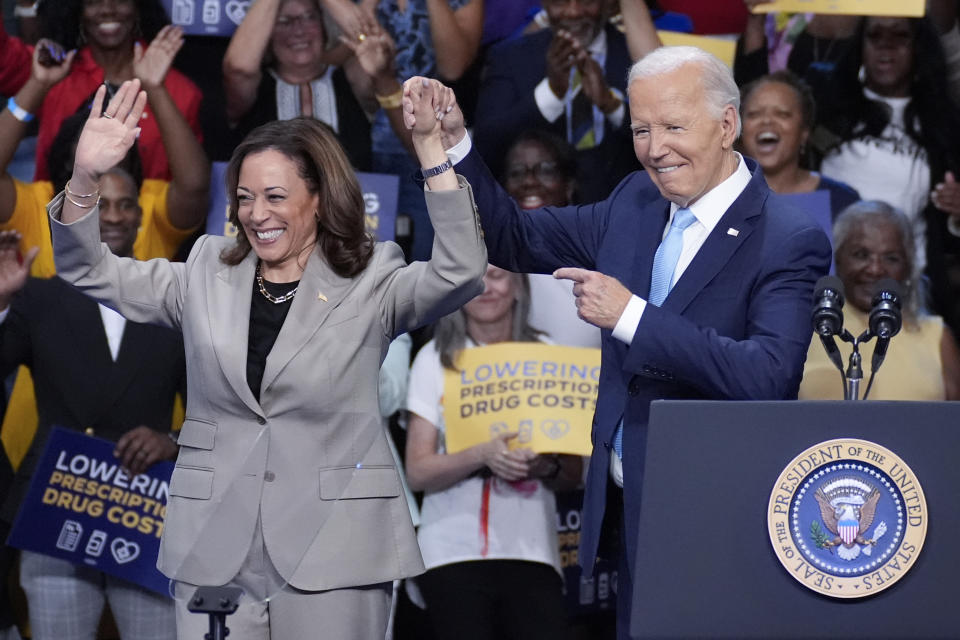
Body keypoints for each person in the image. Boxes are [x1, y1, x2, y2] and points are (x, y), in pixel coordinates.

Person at [405, 45, 832, 637]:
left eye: (674, 127)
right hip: (631, 511)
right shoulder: (634, 200)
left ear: (727, 124)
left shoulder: (787, 237)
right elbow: (509, 239)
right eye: (641, 129)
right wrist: (456, 145)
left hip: (723, 513)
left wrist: (632, 316)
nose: (656, 149)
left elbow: (767, 375)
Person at [49, 77, 486, 640]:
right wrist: (84, 176)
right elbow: (90, 270)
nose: (256, 214)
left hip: (336, 546)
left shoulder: (373, 278)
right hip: (214, 546)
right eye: (245, 198)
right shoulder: (207, 269)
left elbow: (461, 272)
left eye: (275, 197)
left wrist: (430, 151)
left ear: (320, 197)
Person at [0, 188, 185, 639]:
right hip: (56, 510)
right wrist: (1, 303)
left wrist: (174, 441)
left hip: (145, 514)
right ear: (73, 220)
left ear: (141, 217)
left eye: (126, 204)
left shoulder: (175, 298)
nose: (115, 215)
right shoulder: (37, 296)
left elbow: (215, 402)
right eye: (100, 205)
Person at [405, 264, 581, 640]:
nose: (487, 288)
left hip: (532, 550)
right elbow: (417, 471)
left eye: (498, 276)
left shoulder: (549, 356)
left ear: (519, 286)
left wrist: (541, 467)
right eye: (476, 279)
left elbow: (573, 476)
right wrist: (479, 454)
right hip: (450, 551)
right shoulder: (435, 358)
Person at [814, 15, 960, 338]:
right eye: (875, 35)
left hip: (907, 291)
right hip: (827, 284)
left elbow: (946, 234)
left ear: (919, 46)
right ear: (860, 45)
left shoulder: (942, 124)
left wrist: (956, 215)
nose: (885, 46)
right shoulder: (829, 106)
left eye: (900, 36)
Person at [473, 0, 659, 202]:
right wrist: (551, 94)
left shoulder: (635, 56)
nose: (573, 12)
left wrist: (612, 105)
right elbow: (486, 145)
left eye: (586, 2)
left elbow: (665, 136)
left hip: (624, 207)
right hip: (537, 217)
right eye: (560, 2)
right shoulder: (510, 57)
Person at [0, 0, 202, 182]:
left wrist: (155, 89)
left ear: (138, 6)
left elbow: (193, 188)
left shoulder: (179, 92)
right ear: (77, 10)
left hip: (147, 219)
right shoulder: (52, 73)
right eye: (93, 1)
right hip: (55, 217)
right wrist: (38, 84)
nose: (107, 9)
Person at [799, 200, 960, 401]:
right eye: (861, 255)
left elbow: (954, 425)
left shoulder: (937, 336)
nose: (875, 269)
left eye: (890, 258)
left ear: (909, 267)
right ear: (838, 259)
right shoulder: (806, 331)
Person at [222, 0, 372, 170]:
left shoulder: (351, 78)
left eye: (309, 17)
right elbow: (239, 67)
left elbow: (371, 41)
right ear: (267, 33)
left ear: (324, 27)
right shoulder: (256, 88)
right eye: (284, 21)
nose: (299, 30)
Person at [501, 129, 600, 348]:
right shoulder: (492, 255)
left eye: (545, 170)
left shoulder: (597, 252)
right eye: (517, 172)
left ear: (569, 186)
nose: (529, 181)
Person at [739, 70, 859, 220]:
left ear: (804, 132)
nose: (767, 121)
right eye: (754, 114)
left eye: (782, 114)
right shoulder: (717, 197)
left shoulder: (841, 201)